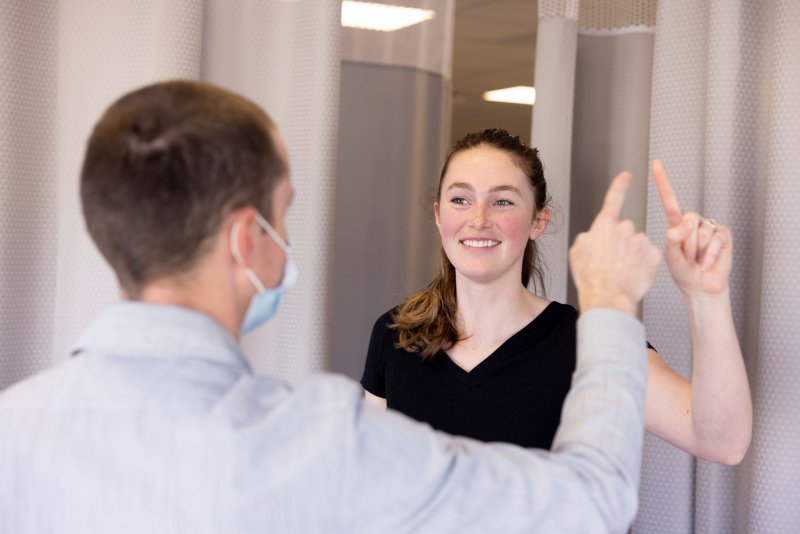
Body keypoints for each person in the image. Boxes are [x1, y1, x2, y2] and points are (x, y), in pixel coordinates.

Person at [0, 80, 660, 533]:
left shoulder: (14, 430)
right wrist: (607, 305)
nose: (285, 242)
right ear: (245, 239)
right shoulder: (316, 442)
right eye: (282, 216)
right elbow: (589, 506)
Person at [362, 129, 752, 465]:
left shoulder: (589, 343)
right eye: (460, 199)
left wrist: (705, 295)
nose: (478, 218)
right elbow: (370, 477)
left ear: (538, 221)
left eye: (503, 201)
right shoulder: (395, 335)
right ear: (437, 214)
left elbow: (721, 442)